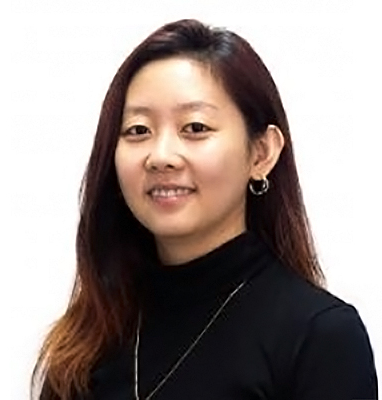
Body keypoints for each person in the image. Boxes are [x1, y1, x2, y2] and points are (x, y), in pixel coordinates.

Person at [32, 19, 378, 400]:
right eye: (138, 130)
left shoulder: (319, 337)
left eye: (195, 128)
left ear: (261, 154)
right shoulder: (85, 339)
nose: (161, 156)